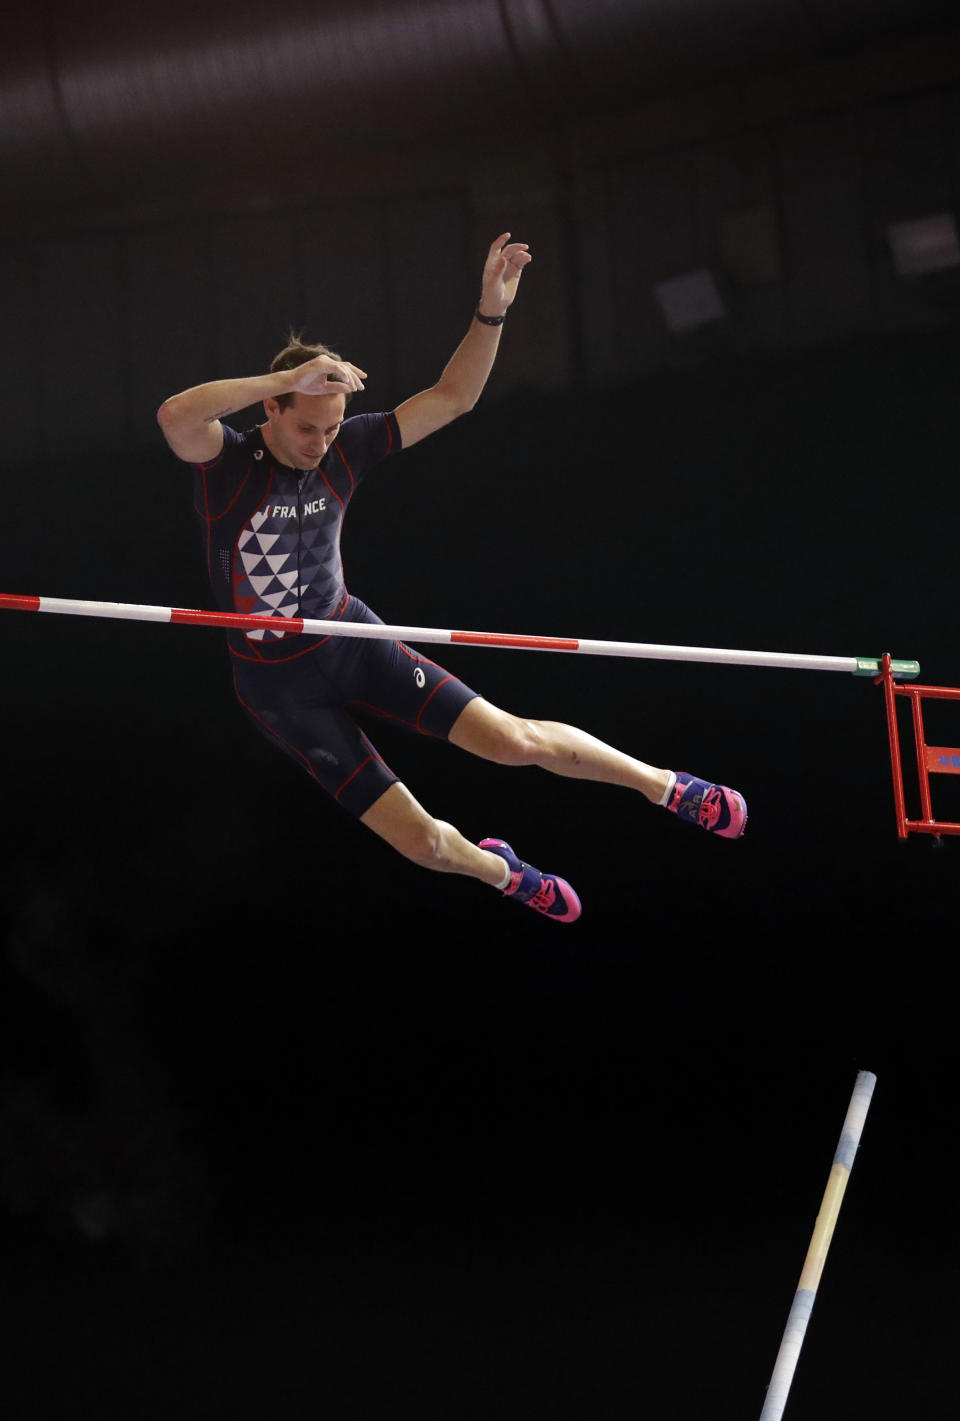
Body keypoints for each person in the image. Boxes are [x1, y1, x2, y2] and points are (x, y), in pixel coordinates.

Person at [157, 233, 746, 924]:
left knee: (512, 741)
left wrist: (490, 312)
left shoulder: (348, 448)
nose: (322, 443)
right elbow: (176, 413)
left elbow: (456, 396)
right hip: (278, 688)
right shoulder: (227, 461)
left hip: (348, 638)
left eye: (333, 427)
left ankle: (667, 787)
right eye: (309, 426)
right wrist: (291, 378)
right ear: (274, 411)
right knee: (426, 842)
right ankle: (501, 869)